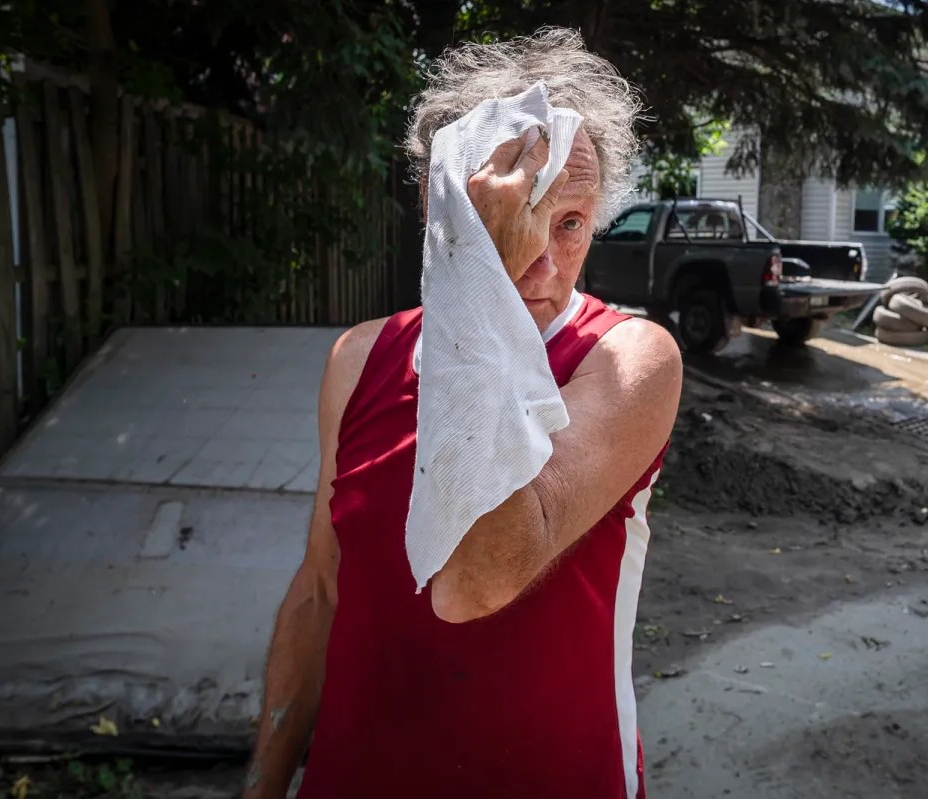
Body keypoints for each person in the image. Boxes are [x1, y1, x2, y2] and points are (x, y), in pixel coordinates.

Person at [243, 28, 682, 799]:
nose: (540, 262)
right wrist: (263, 786)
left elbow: (479, 577)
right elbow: (320, 589)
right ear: (437, 204)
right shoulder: (359, 360)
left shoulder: (629, 360)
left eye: (570, 221)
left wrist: (479, 277)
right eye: (511, 220)